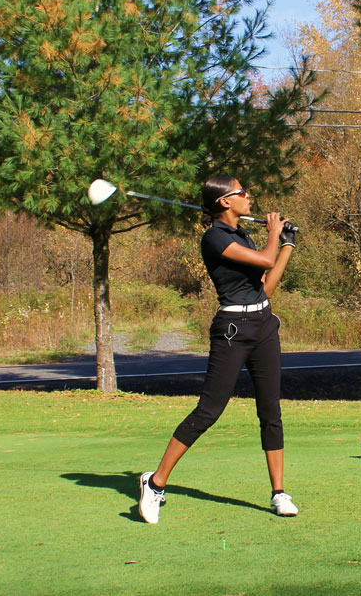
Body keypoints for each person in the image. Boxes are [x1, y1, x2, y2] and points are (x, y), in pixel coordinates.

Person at [138, 176, 298, 523]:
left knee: (270, 411)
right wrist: (274, 233)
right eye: (242, 192)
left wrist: (286, 245)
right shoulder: (214, 237)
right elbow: (265, 261)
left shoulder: (243, 235)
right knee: (209, 411)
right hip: (232, 331)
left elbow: (266, 286)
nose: (248, 196)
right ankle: (155, 482)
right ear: (225, 202)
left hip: (264, 326)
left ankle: (278, 492)